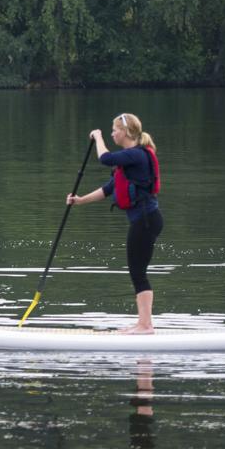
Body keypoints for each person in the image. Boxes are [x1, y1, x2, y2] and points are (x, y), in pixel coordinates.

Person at [66, 113, 163, 334]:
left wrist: (98, 137)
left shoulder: (136, 155)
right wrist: (80, 200)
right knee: (137, 271)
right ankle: (143, 323)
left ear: (126, 132)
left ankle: (145, 325)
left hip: (146, 221)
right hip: (144, 221)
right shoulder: (130, 160)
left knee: (138, 272)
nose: (112, 133)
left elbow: (105, 159)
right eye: (109, 131)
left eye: (114, 130)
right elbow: (108, 189)